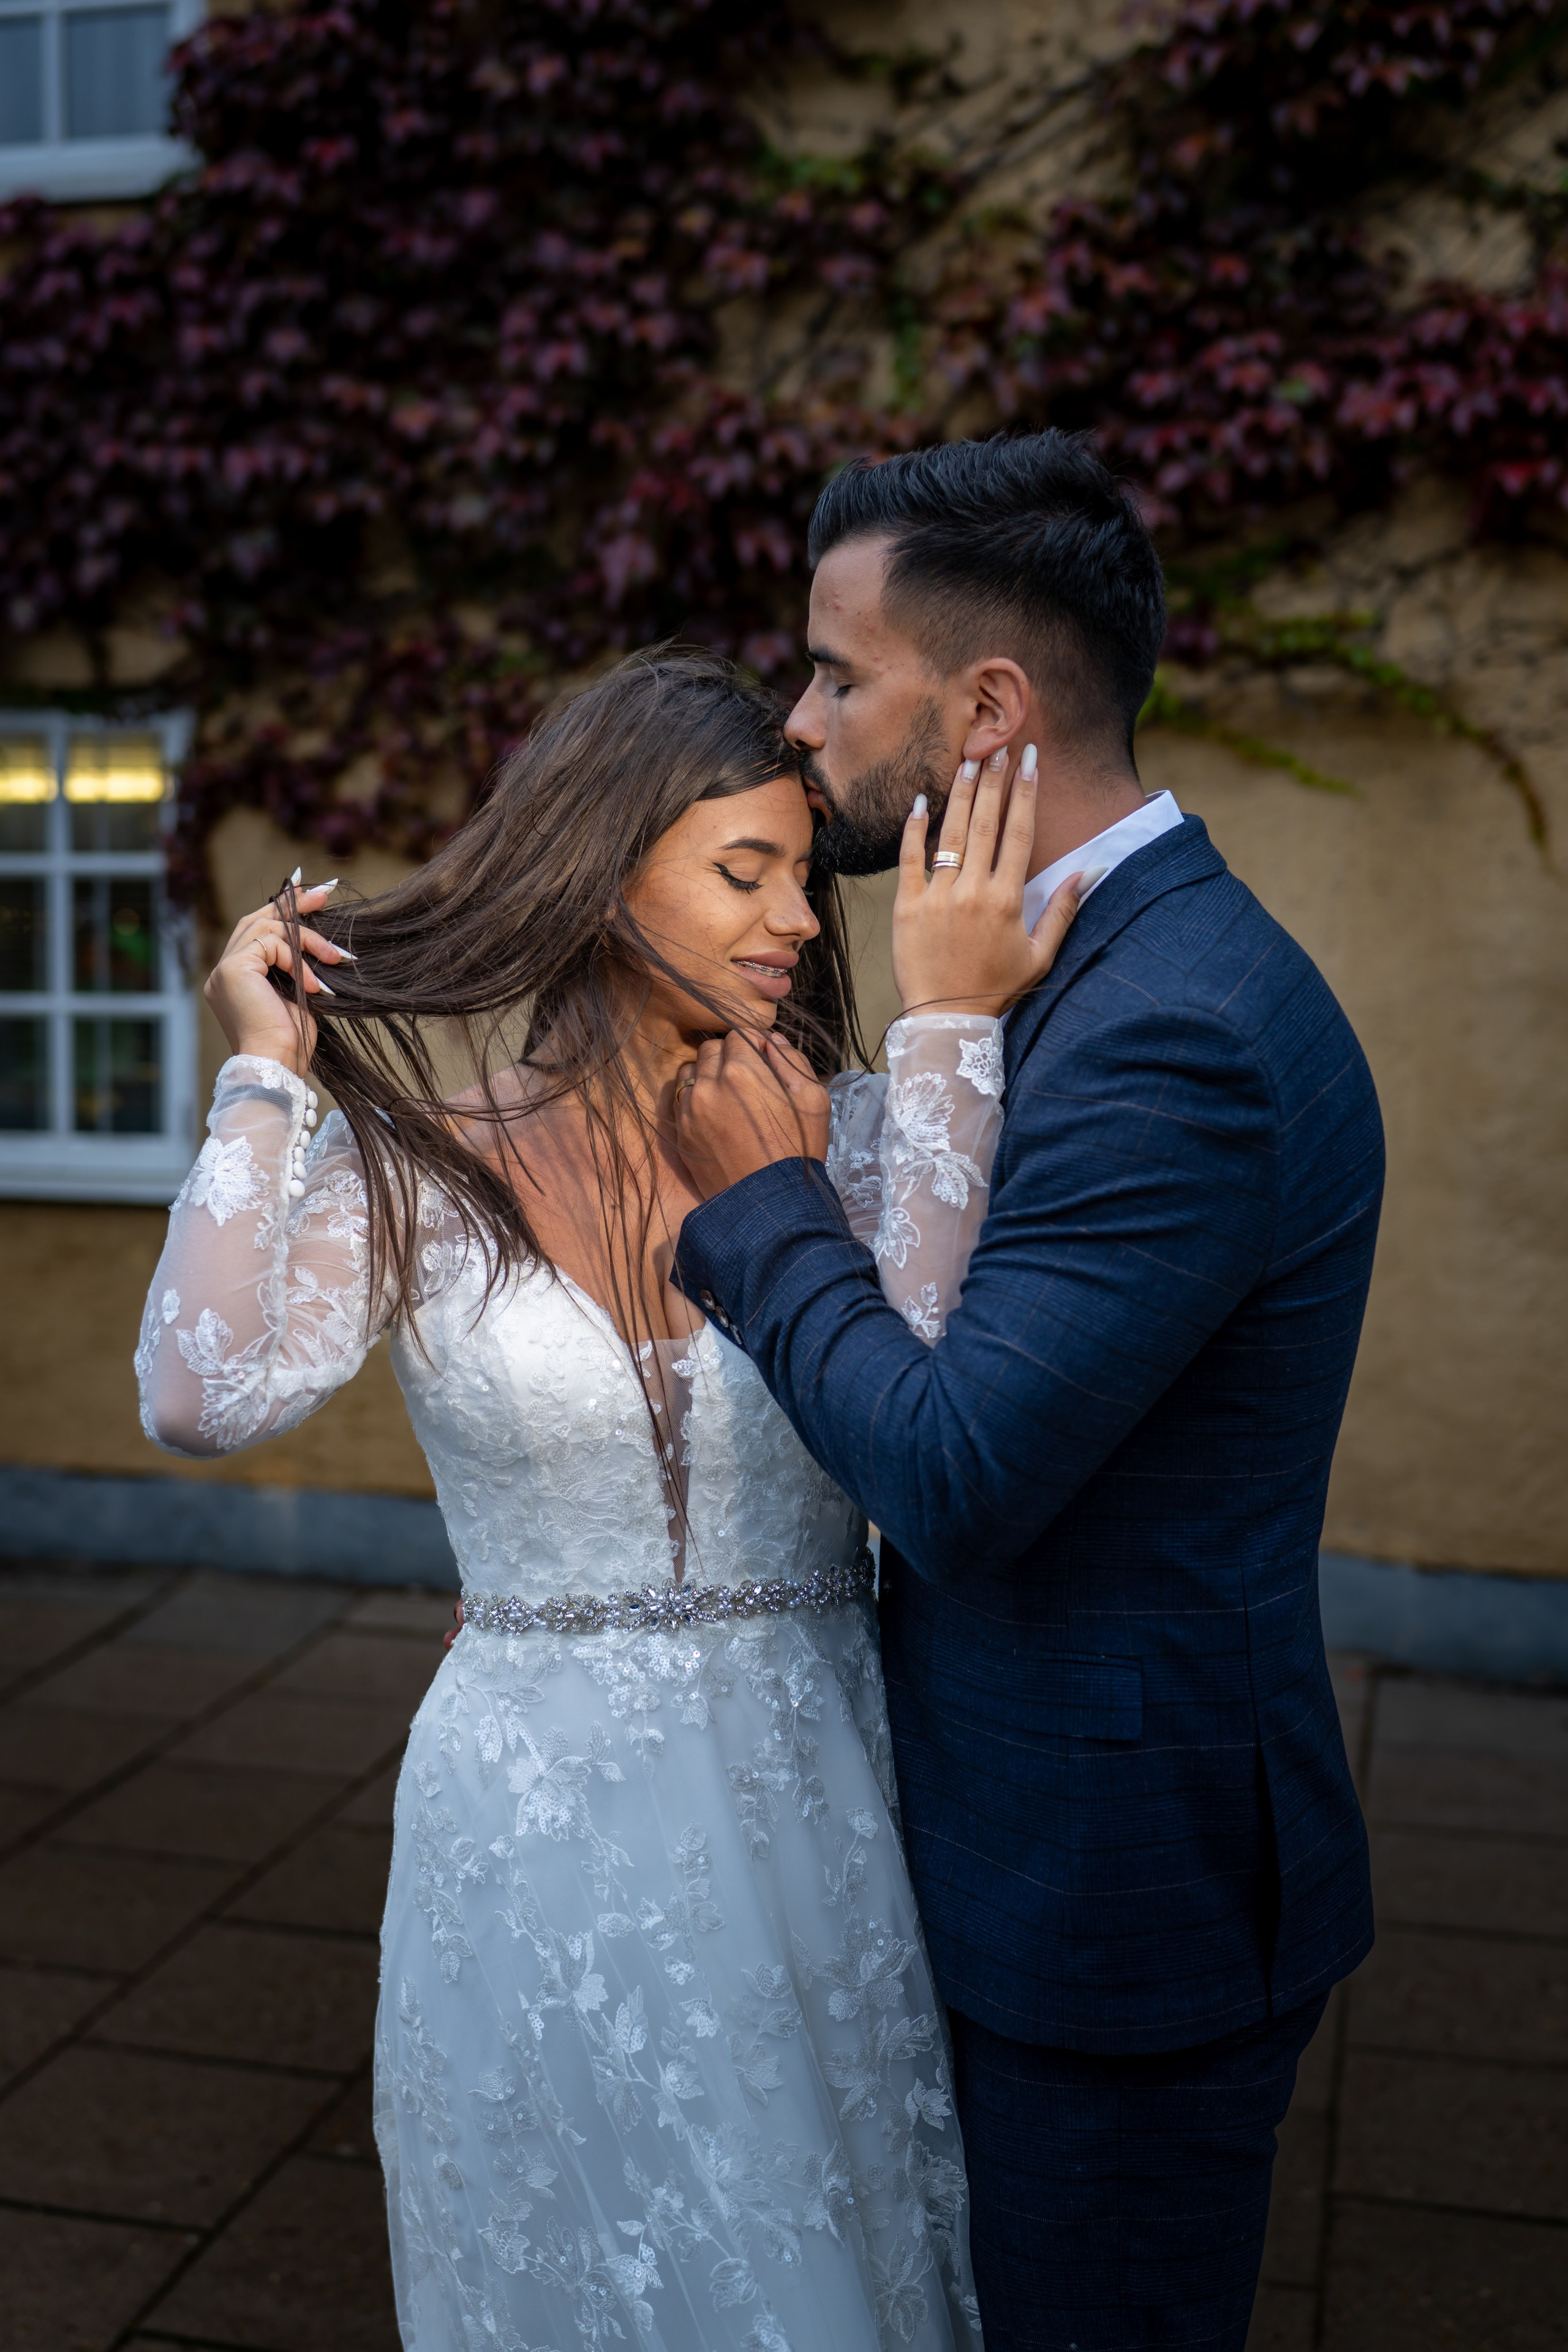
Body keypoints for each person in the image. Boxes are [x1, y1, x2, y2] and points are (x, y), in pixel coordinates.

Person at [134, 650, 1080, 2352]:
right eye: (745, 873)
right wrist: (268, 1074)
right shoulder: (424, 1164)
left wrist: (946, 1034)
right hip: (527, 1831)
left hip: (818, 1797)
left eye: (805, 874)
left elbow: (931, 1405)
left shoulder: (858, 1138)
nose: (800, 917)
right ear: (596, 870)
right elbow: (201, 1393)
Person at [669, 432, 1384, 2352]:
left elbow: (959, 1469)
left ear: (986, 707)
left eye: (838, 674)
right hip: (1010, 1848)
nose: (800, 724)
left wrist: (757, 1212)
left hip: (1111, 1907)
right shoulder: (1072, 974)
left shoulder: (1176, 1034)